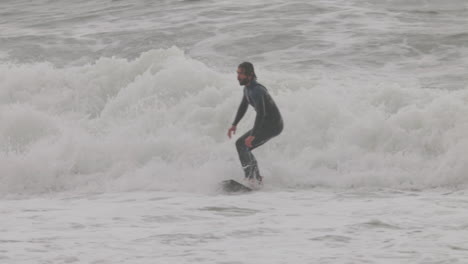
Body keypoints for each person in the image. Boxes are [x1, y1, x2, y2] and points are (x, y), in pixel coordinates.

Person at [227, 62, 283, 185]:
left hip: (273, 125)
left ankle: (251, 178)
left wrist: (253, 134)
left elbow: (261, 114)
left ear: (250, 75)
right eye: (237, 73)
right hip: (265, 124)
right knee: (243, 147)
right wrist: (234, 124)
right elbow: (243, 106)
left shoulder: (257, 91)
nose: (238, 76)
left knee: (242, 144)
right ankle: (256, 178)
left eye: (241, 74)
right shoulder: (247, 89)